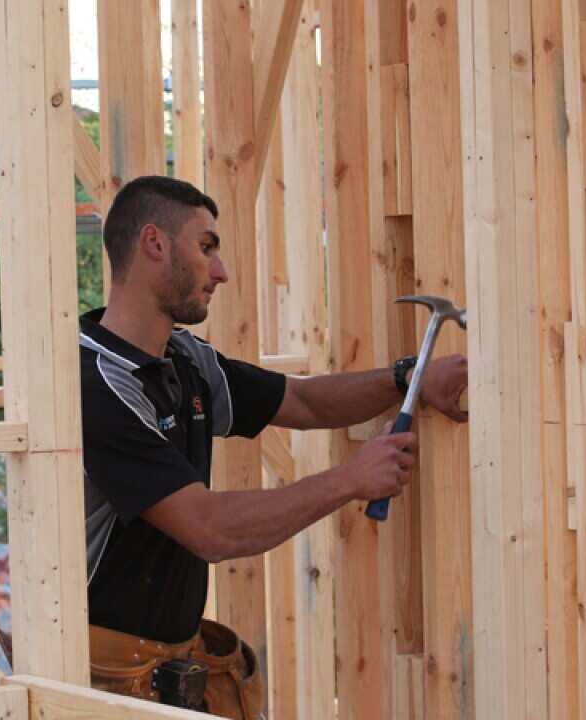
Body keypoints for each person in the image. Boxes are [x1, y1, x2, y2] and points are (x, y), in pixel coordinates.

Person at [80, 176, 467, 719]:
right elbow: (208, 528)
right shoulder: (99, 385)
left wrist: (409, 379)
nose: (221, 271)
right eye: (207, 246)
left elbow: (304, 403)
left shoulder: (183, 360)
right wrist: (349, 479)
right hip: (97, 686)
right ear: (154, 244)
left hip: (165, 674)